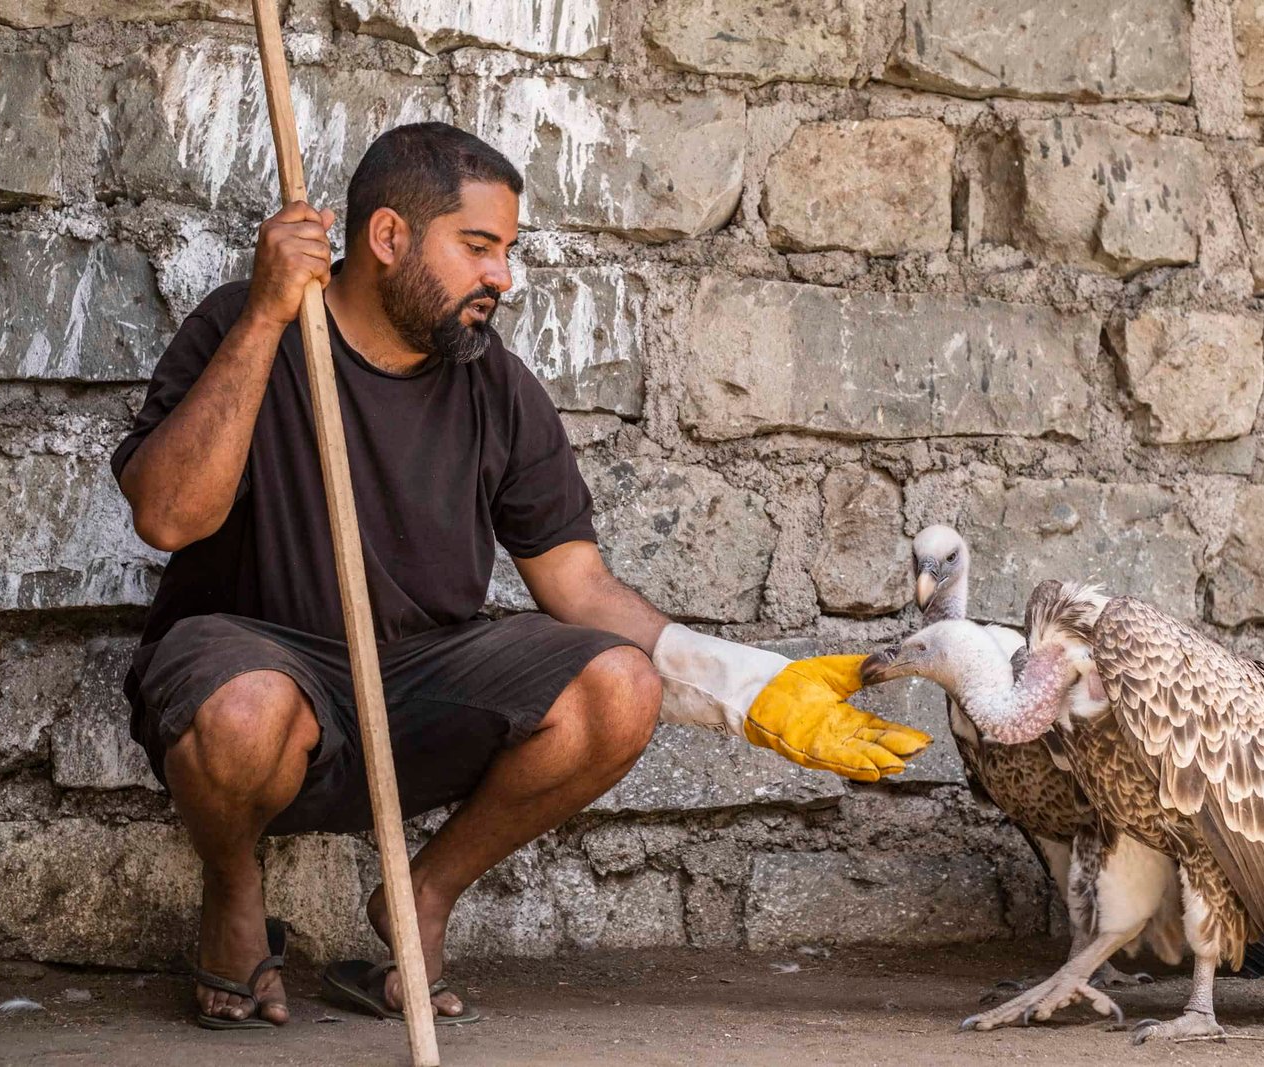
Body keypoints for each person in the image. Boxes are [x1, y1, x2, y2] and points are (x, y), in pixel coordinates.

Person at [113, 122, 930, 1030]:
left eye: (508, 251)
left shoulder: (494, 383)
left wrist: (743, 684)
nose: (501, 276)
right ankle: (232, 896)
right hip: (261, 664)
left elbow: (578, 586)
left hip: (420, 679)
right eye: (477, 247)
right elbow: (167, 517)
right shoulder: (244, 323)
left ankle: (420, 897)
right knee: (241, 710)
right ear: (387, 239)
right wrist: (267, 315)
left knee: (620, 687)